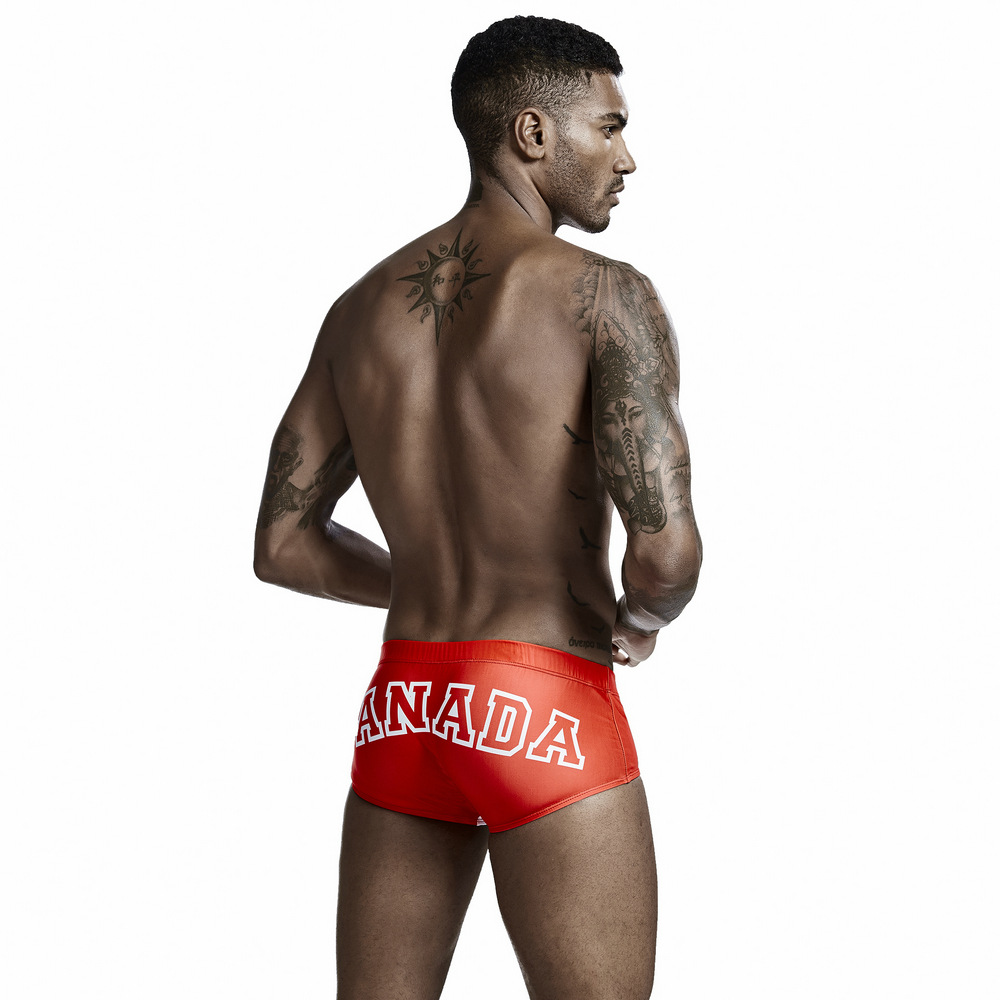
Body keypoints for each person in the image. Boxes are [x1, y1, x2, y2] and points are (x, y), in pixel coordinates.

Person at [254, 15, 701, 1000]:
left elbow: (283, 544)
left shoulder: (358, 309)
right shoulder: (605, 296)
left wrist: (424, 577)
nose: (627, 159)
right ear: (532, 133)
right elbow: (667, 554)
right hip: (545, 702)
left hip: (405, 707)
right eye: (609, 127)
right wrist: (638, 620)